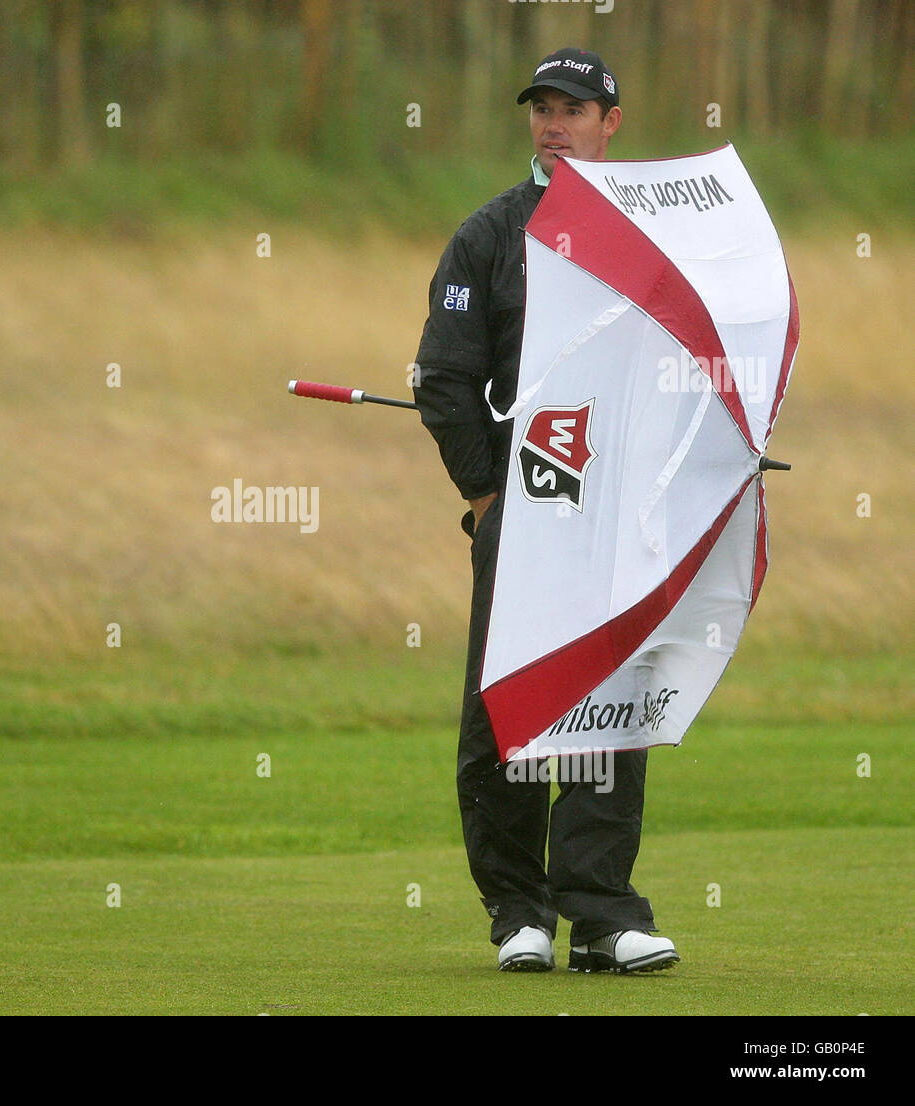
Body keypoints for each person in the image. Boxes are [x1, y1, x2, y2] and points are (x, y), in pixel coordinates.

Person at [411, 47, 680, 975]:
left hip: (624, 519)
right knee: (510, 707)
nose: (555, 123)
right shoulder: (489, 235)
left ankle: (603, 917)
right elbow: (445, 377)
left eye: (575, 109)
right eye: (543, 109)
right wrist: (483, 494)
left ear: (613, 122)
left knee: (614, 703)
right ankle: (519, 912)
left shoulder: (657, 238)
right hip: (521, 514)